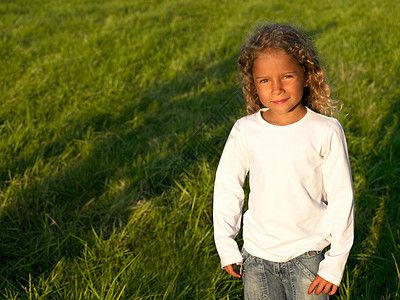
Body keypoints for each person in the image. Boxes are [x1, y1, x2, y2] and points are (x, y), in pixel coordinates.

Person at [213, 23, 354, 299]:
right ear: (253, 83)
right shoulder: (245, 130)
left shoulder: (326, 130)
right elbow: (228, 188)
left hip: (309, 258)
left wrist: (335, 262)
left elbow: (341, 198)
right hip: (256, 259)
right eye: (264, 80)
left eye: (287, 76)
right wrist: (226, 244)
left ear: (307, 75)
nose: (276, 88)